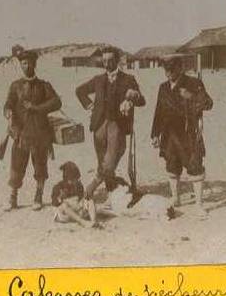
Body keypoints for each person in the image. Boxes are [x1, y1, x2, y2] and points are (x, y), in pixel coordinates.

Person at [75, 48, 145, 224]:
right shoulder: (98, 80)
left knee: (109, 162)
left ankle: (88, 191)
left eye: (110, 60)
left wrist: (131, 98)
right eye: (104, 61)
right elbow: (80, 91)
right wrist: (90, 106)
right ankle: (112, 194)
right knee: (102, 163)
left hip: (117, 126)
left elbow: (141, 100)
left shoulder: (128, 79)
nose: (107, 64)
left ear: (117, 61)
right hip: (99, 126)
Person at [150, 55, 214, 218]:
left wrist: (191, 97)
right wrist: (155, 133)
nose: (169, 72)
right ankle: (175, 197)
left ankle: (199, 205)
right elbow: (159, 111)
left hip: (188, 133)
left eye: (172, 69)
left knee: (194, 166)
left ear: (181, 68)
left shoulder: (193, 83)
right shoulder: (163, 87)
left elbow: (208, 103)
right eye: (166, 69)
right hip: (169, 133)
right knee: (172, 165)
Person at [2, 49, 62, 211]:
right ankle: (12, 198)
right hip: (20, 134)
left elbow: (57, 102)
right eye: (23, 63)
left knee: (40, 167)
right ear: (20, 65)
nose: (26, 66)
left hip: (40, 134)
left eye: (29, 63)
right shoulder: (15, 86)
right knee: (16, 166)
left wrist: (36, 108)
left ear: (35, 64)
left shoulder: (44, 86)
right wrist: (7, 111)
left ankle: (38, 196)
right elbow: (8, 103)